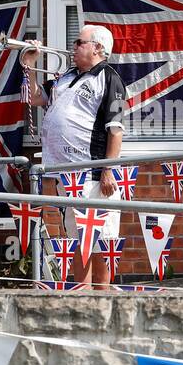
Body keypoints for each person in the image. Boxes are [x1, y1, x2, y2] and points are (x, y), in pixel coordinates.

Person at [22, 23, 126, 287]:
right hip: (66, 174)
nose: (74, 47)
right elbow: (35, 99)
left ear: (98, 48)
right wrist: (30, 66)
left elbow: (115, 130)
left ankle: (100, 297)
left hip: (91, 173)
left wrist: (108, 170)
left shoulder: (110, 78)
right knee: (79, 240)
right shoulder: (66, 76)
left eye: (80, 42)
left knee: (99, 241)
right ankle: (83, 294)